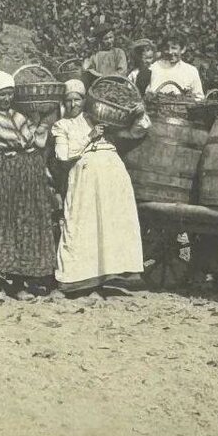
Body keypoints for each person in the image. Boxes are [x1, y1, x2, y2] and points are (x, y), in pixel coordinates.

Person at [0, 71, 57, 302]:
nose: (6, 99)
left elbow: (36, 142)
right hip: (1, 178)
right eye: (1, 95)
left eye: (9, 94)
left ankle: (19, 284)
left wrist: (42, 121)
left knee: (24, 229)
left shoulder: (19, 116)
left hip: (27, 182)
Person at [51, 80, 150, 297]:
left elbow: (137, 131)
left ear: (85, 100)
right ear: (63, 103)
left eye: (77, 99)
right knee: (82, 223)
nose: (73, 104)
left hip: (113, 174)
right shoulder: (62, 126)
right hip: (85, 177)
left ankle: (111, 273)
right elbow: (63, 156)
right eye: (68, 100)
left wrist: (140, 113)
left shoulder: (99, 118)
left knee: (111, 224)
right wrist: (90, 137)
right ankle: (76, 279)